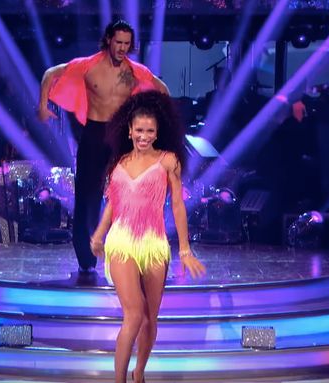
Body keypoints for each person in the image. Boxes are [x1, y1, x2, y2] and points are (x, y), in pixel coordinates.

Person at [89, 91, 206, 383]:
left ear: (157, 133)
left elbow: (177, 205)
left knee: (150, 318)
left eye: (149, 131)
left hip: (154, 243)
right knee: (134, 314)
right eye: (139, 130)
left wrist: (185, 250)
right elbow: (112, 205)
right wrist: (99, 235)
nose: (143, 136)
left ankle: (139, 371)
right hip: (122, 242)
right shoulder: (118, 164)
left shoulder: (169, 161)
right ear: (129, 131)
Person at [38, 19, 169, 274]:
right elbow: (50, 74)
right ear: (108, 39)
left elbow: (161, 88)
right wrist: (42, 106)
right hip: (95, 134)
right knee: (87, 197)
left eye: (127, 44)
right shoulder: (88, 66)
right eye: (118, 42)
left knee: (129, 194)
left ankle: (131, 251)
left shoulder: (134, 71)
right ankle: (86, 257)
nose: (122, 48)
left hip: (121, 136)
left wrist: (159, 123)